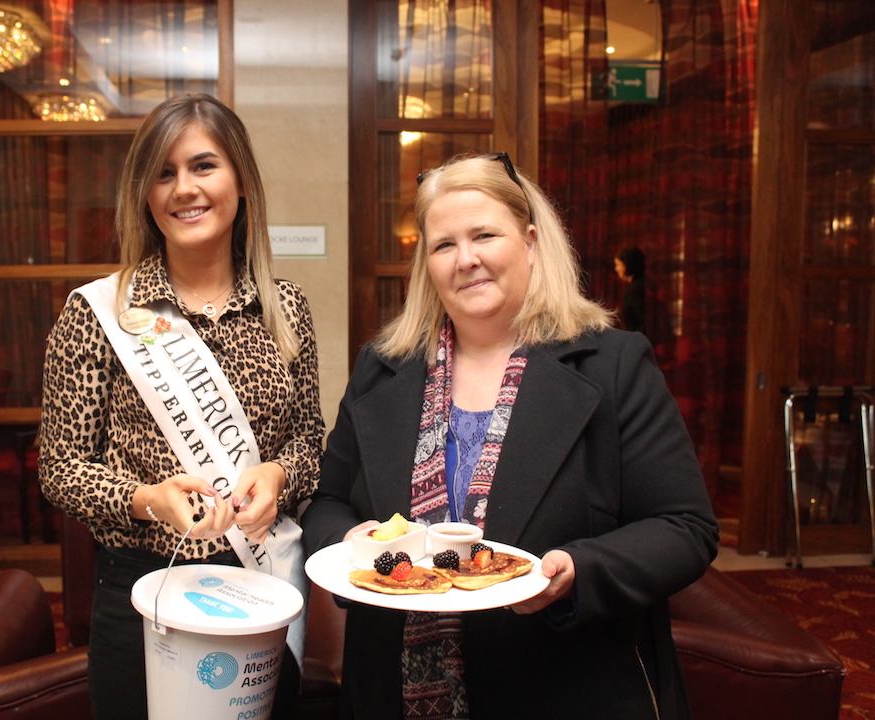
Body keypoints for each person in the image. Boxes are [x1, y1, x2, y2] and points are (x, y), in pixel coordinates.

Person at [301, 152, 718, 720]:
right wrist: (353, 541)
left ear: (529, 240)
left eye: (484, 235)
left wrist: (579, 571)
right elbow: (327, 502)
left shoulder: (613, 366)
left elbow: (684, 528)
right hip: (392, 692)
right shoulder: (383, 367)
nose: (465, 259)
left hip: (565, 682)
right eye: (444, 245)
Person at [39, 93, 325, 720]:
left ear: (241, 180)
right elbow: (60, 469)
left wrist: (279, 475)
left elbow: (309, 441)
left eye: (203, 166)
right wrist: (147, 500)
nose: (183, 189)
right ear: (145, 195)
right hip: (145, 589)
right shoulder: (100, 313)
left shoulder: (286, 309)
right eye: (163, 174)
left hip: (260, 581)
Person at [614, 245, 646, 333]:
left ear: (627, 265)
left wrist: (636, 341)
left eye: (618, 265)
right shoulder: (638, 285)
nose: (616, 269)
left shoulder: (636, 288)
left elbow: (644, 320)